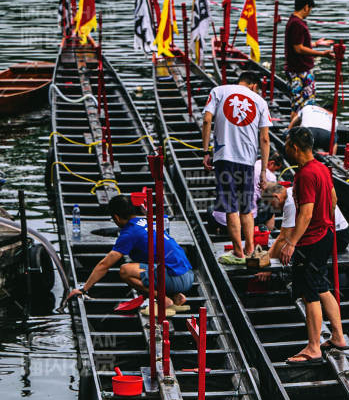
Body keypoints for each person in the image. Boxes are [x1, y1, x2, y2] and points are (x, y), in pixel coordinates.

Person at [278, 126, 347, 362]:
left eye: (287, 144)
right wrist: (326, 221)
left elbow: (305, 214)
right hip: (326, 233)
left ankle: (314, 347)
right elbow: (333, 198)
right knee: (322, 286)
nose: (285, 148)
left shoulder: (306, 174)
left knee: (310, 294)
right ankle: (338, 336)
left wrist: (291, 243)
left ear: (294, 148)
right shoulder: (321, 167)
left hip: (312, 239)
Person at [65, 193, 195, 312]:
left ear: (116, 217)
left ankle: (164, 299)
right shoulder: (147, 221)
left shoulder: (129, 233)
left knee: (125, 271)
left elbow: (104, 265)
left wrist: (83, 289)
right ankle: (176, 295)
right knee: (144, 265)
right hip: (188, 275)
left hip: (176, 278)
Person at [201, 64, 272, 263]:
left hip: (224, 158)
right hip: (248, 161)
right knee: (246, 207)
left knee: (231, 207)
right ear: (254, 86)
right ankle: (250, 249)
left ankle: (238, 253)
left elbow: (207, 120)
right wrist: (263, 171)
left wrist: (206, 151)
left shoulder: (218, 91)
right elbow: (265, 139)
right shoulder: (260, 101)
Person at [284, 0, 332, 123]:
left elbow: (298, 44)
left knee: (298, 106)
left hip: (299, 70)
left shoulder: (294, 22)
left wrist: (316, 44)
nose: (309, 12)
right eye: (310, 9)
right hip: (299, 72)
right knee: (302, 107)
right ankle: (295, 134)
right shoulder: (297, 24)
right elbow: (298, 48)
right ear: (306, 7)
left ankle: (295, 132)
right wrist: (322, 54)